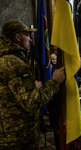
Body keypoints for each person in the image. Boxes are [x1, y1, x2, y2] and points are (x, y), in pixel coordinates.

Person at [0, 19, 65, 149]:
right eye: (27, 35)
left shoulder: (4, 59)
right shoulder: (16, 64)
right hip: (19, 137)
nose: (30, 39)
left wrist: (32, 88)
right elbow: (33, 102)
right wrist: (54, 82)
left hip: (7, 133)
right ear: (17, 37)